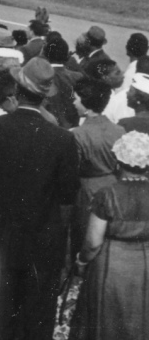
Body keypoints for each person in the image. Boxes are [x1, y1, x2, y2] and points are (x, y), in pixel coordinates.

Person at [0, 58, 79, 340]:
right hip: (42, 242)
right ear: (45, 96)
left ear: (16, 90)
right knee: (39, 322)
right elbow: (67, 194)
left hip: (0, 239)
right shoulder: (62, 139)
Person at [78, 130, 149, 340]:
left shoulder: (107, 194)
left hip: (112, 267)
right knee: (144, 331)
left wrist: (81, 261)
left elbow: (93, 242)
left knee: (108, 331)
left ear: (118, 160)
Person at [73, 77, 127, 245]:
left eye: (76, 98)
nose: (74, 103)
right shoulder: (119, 130)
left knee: (85, 234)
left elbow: (73, 168)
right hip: (114, 185)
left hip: (87, 189)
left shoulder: (78, 134)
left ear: (86, 103)